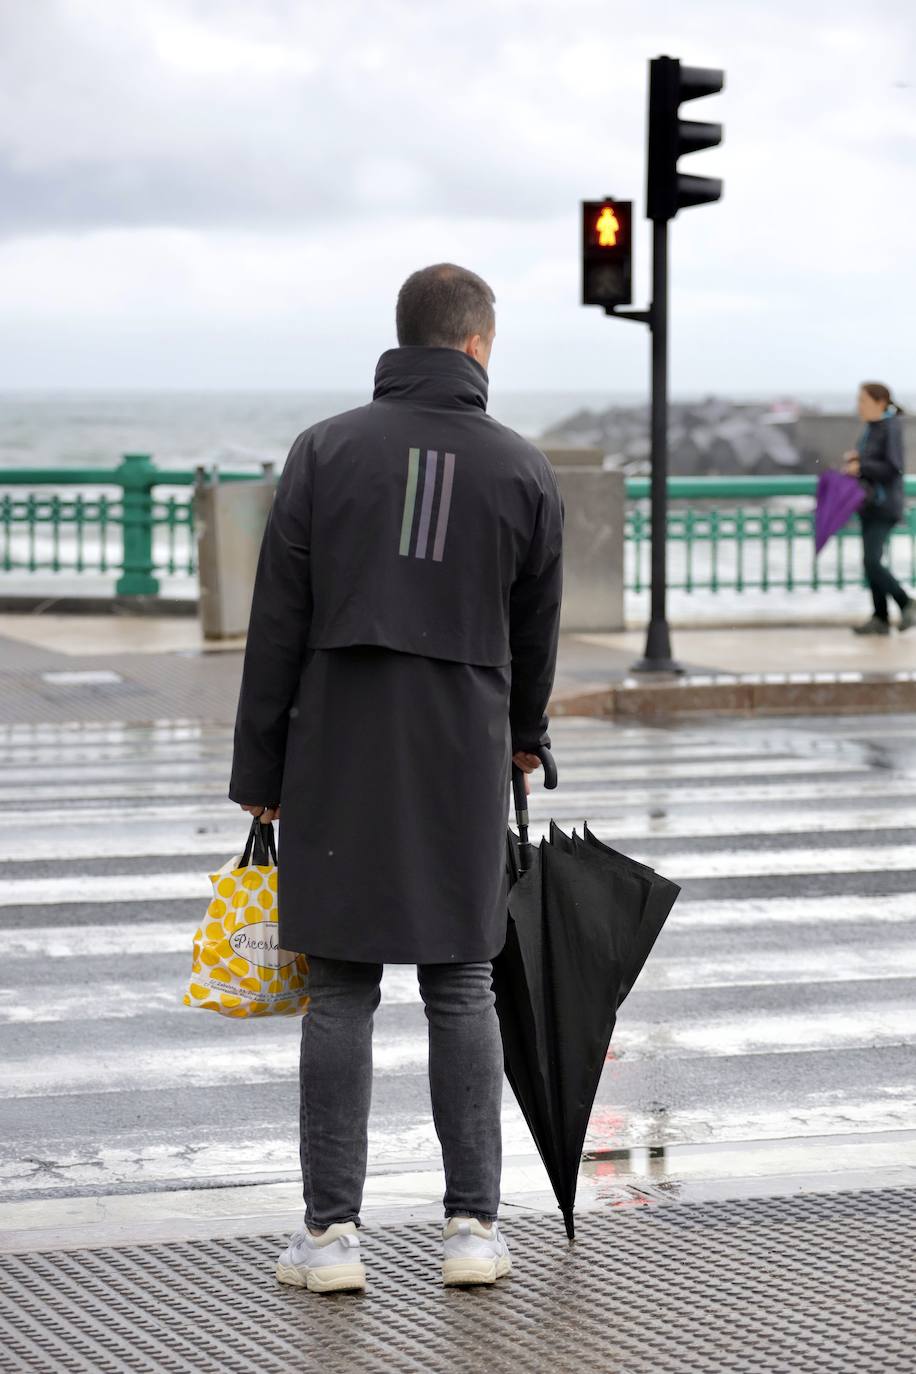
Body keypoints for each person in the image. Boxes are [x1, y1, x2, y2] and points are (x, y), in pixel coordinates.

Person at [229, 264, 563, 1293]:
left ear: (403, 338)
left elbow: (276, 619)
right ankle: (471, 1230)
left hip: (339, 742)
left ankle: (330, 1238)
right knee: (462, 984)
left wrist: (261, 770)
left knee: (340, 988)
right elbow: (534, 632)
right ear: (478, 345)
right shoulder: (521, 468)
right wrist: (522, 733)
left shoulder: (326, 450)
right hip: (461, 749)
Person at [843, 381, 914, 635]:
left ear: (880, 402)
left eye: (863, 400)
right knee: (869, 562)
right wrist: (857, 460)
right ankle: (880, 617)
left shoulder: (890, 427)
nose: (859, 406)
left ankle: (907, 602)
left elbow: (894, 467)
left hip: (885, 505)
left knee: (872, 561)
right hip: (868, 504)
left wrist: (861, 467)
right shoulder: (872, 428)